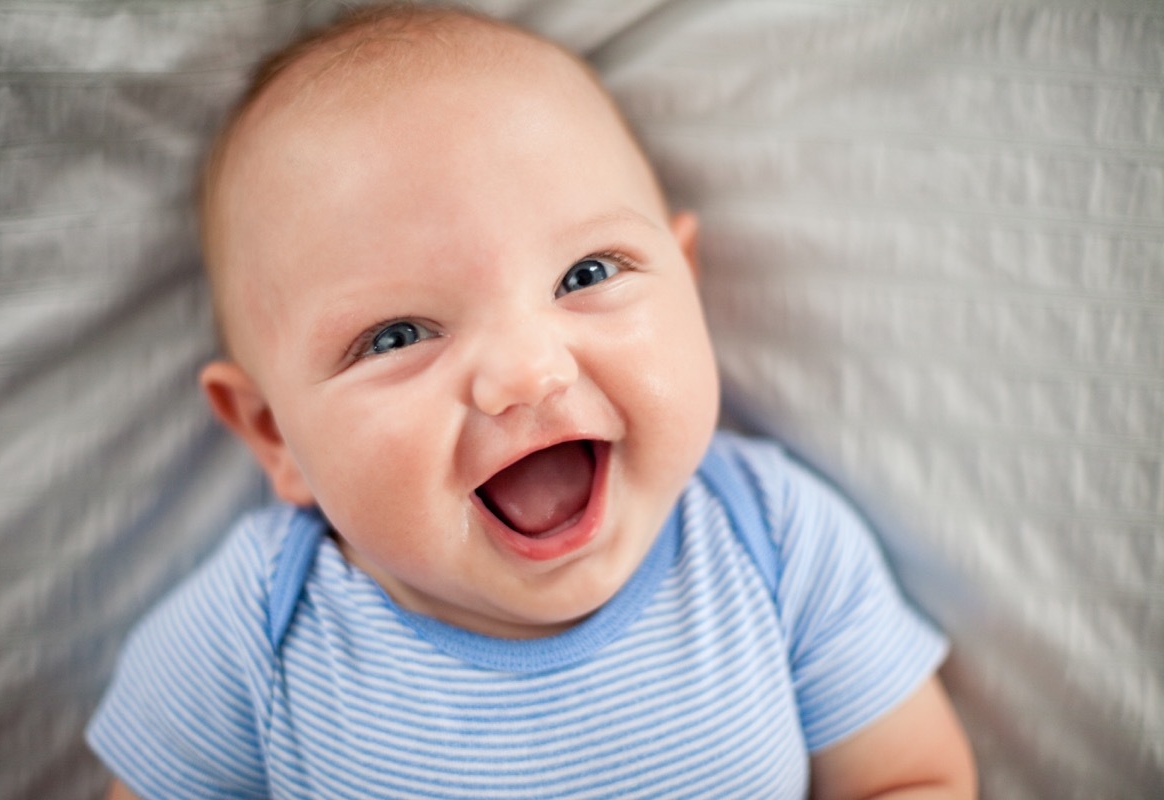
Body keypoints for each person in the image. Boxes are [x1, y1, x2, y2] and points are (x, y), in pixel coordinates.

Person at [87, 3, 975, 798]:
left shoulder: (772, 540)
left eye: (585, 274)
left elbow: (910, 774)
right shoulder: (256, 629)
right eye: (398, 336)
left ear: (687, 287)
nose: (525, 372)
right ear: (273, 434)